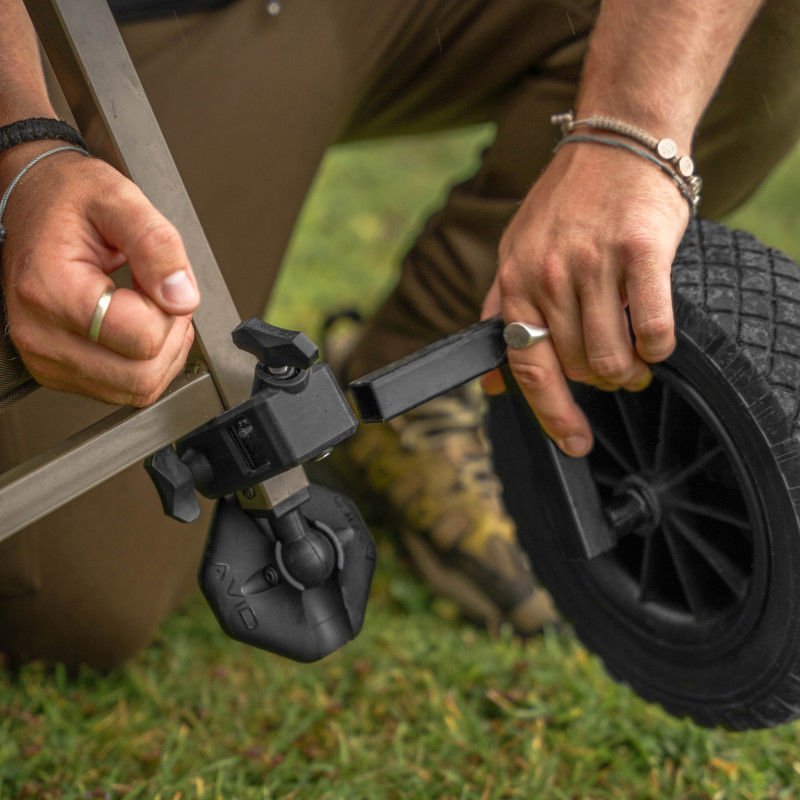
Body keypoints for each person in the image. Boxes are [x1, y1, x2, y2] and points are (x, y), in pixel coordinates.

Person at [0, 0, 797, 669]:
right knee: (80, 604)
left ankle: (425, 386)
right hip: (119, 26)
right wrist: (23, 150)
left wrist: (634, 128)